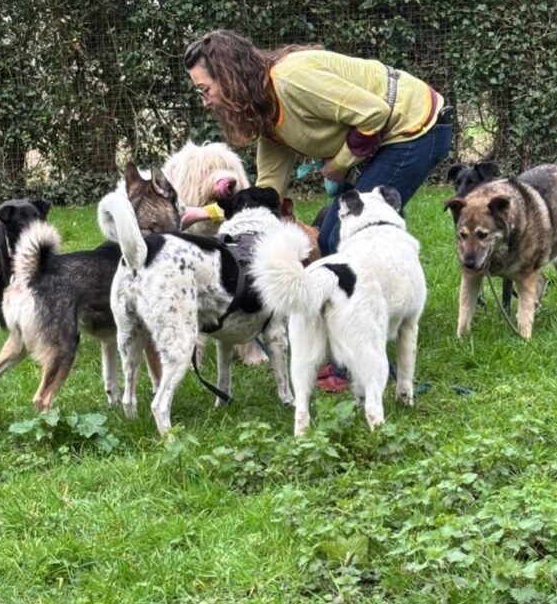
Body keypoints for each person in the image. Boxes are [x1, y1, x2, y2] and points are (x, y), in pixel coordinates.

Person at [181, 29, 454, 390]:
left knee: (342, 237)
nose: (205, 101)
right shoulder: (268, 116)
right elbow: (267, 193)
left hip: (417, 126)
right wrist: (208, 214)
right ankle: (358, 342)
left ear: (228, 77)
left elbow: (373, 114)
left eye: (205, 89)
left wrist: (340, 164)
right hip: (391, 137)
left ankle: (360, 363)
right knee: (332, 235)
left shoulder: (292, 80)